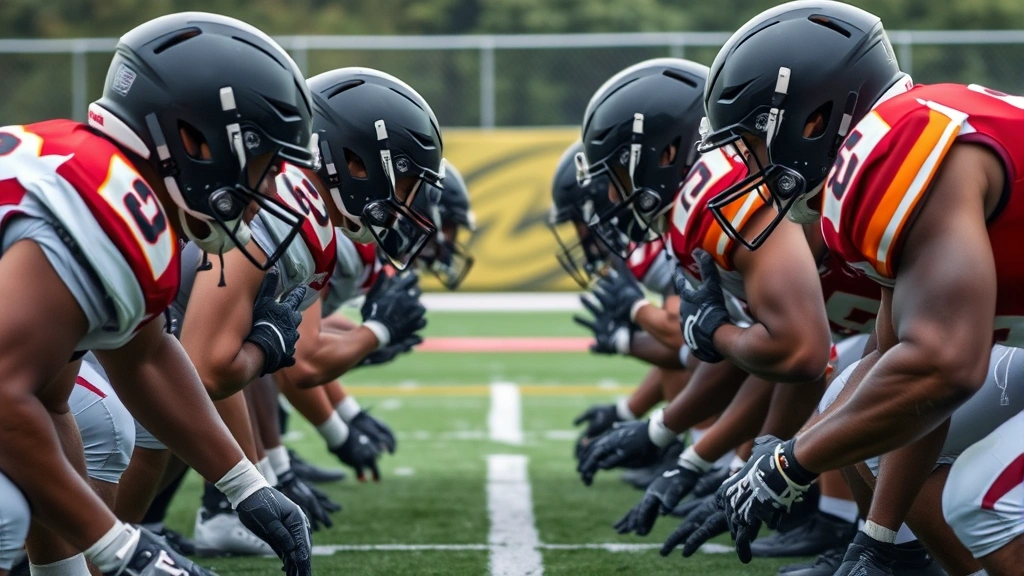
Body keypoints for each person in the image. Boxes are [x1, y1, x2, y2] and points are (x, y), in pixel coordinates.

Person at [681, 2, 1024, 574]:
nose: (750, 169)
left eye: (755, 143)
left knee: (980, 501)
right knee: (857, 419)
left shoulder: (898, 144)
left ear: (812, 120)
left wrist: (792, 463)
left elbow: (944, 368)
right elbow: (897, 365)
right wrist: (877, 540)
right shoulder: (907, 141)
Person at [0, 12, 317, 575]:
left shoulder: (112, 188)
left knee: (88, 420)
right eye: (263, 165)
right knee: (4, 512)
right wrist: (119, 545)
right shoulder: (101, 208)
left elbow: (140, 360)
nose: (268, 190)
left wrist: (245, 485)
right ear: (195, 140)